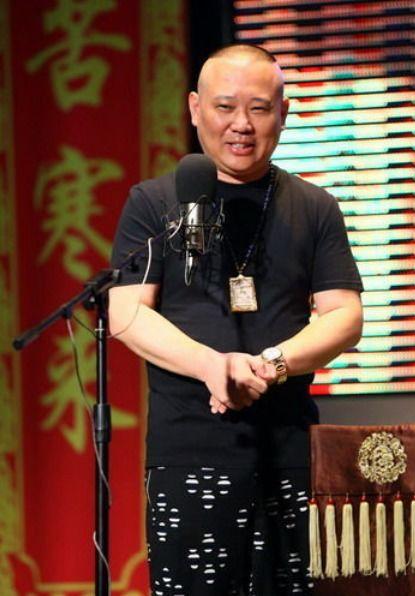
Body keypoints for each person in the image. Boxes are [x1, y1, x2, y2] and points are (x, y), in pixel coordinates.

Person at [109, 44, 363, 596]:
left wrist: (272, 364)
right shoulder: (155, 203)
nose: (241, 125)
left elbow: (344, 316)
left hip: (292, 452)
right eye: (225, 107)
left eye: (259, 109)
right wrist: (212, 366)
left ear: (283, 114)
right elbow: (126, 312)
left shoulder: (315, 206)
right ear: (195, 108)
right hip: (188, 454)